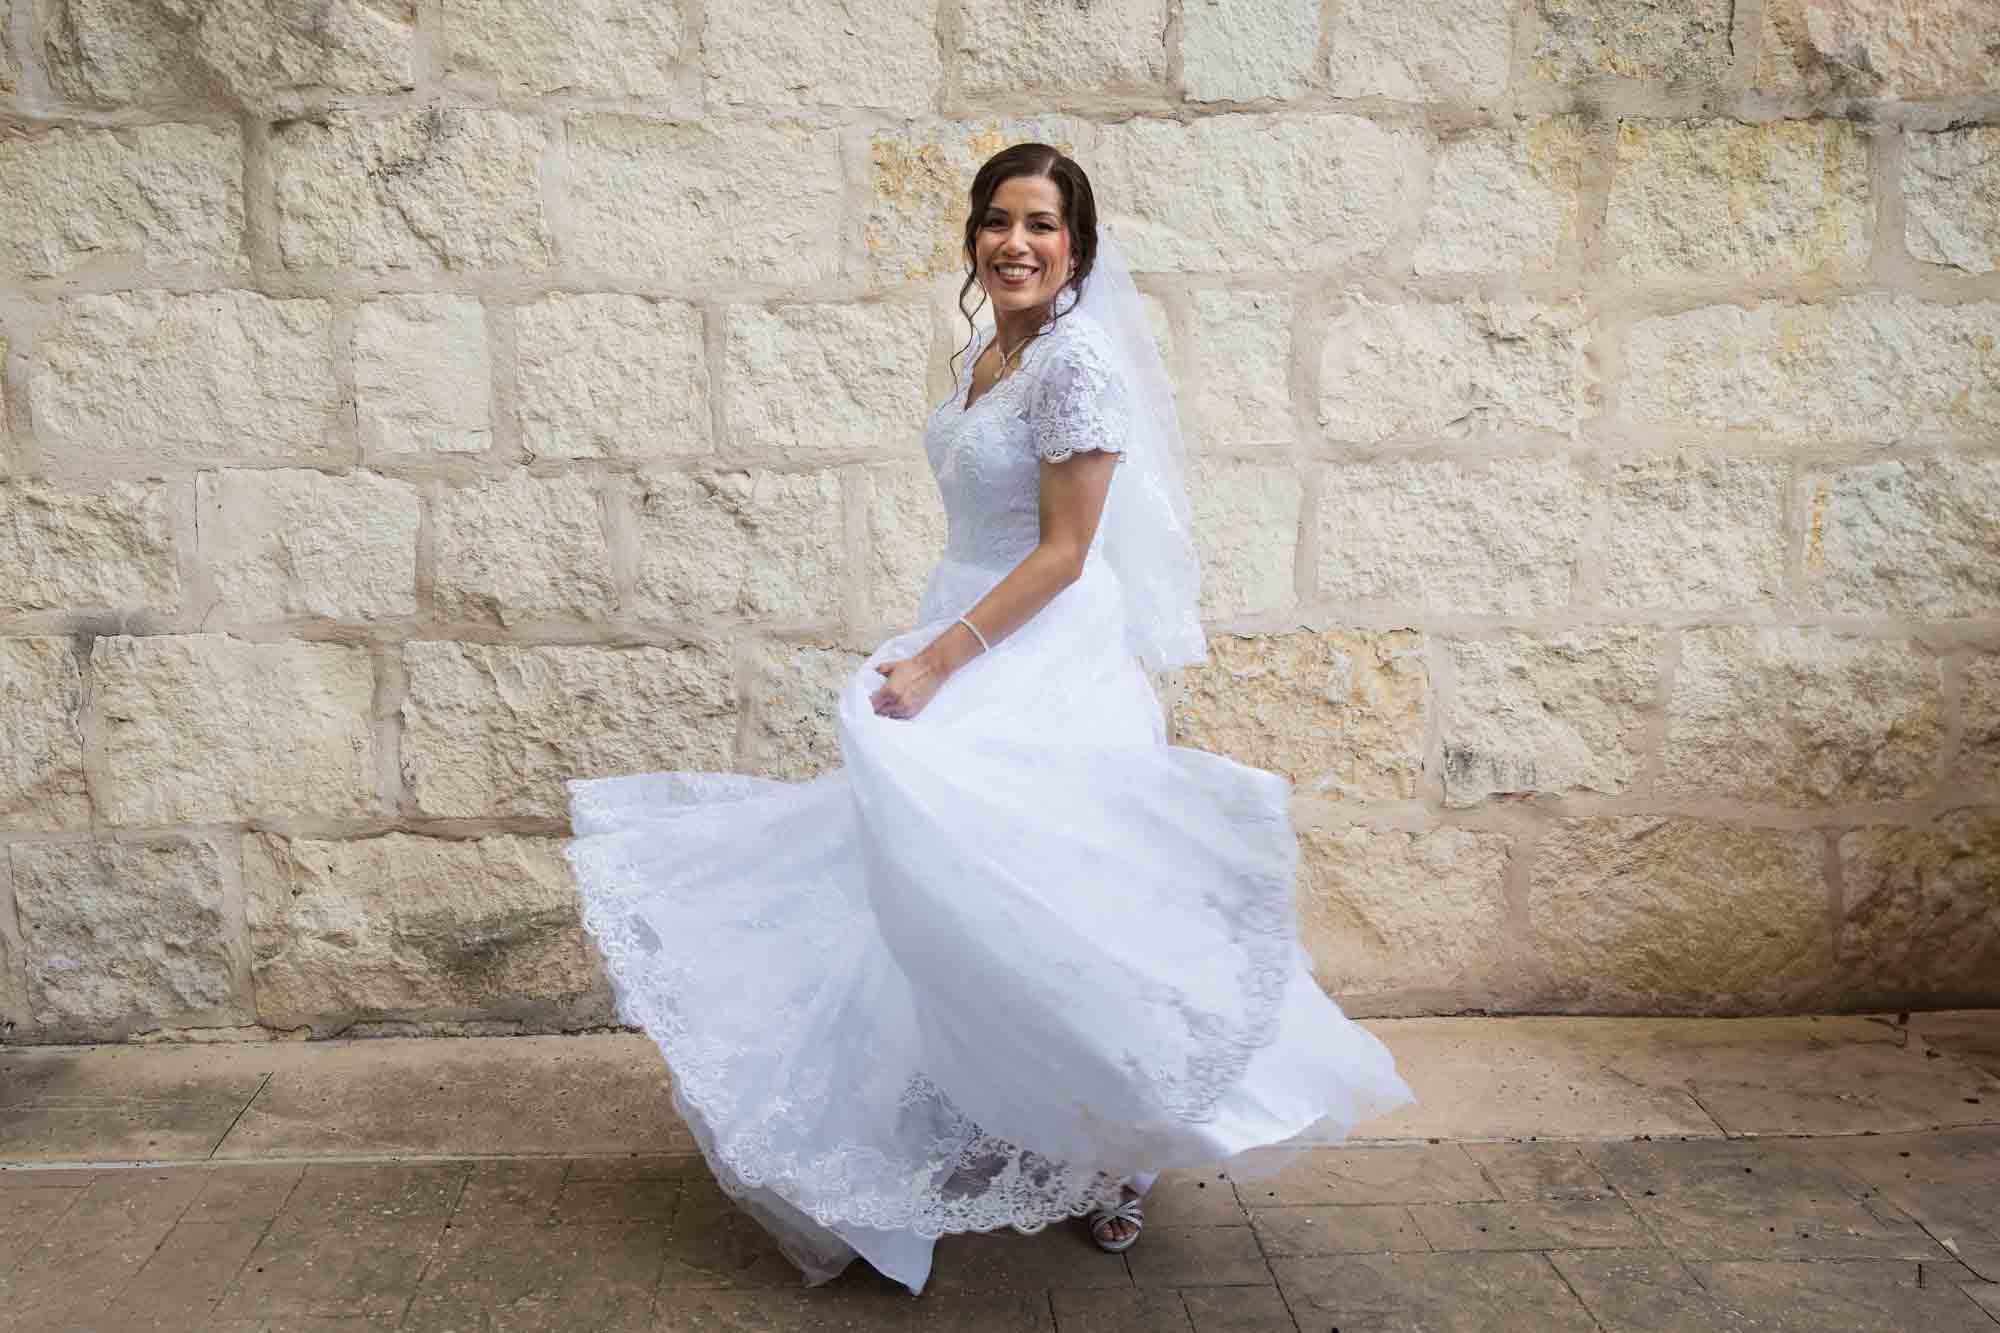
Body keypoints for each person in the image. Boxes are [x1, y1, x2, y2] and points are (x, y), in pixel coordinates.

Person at [564, 143, 1413, 1296]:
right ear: (972, 236)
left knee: (1061, 904)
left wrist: (938, 663)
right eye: (997, 221)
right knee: (936, 884)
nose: (1015, 242)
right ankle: (994, 1104)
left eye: (1041, 225)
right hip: (963, 621)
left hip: (1036, 655)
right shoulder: (987, 354)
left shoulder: (1075, 367)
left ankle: (1122, 1153)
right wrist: (934, 643)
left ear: (1078, 246)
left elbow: (1064, 554)